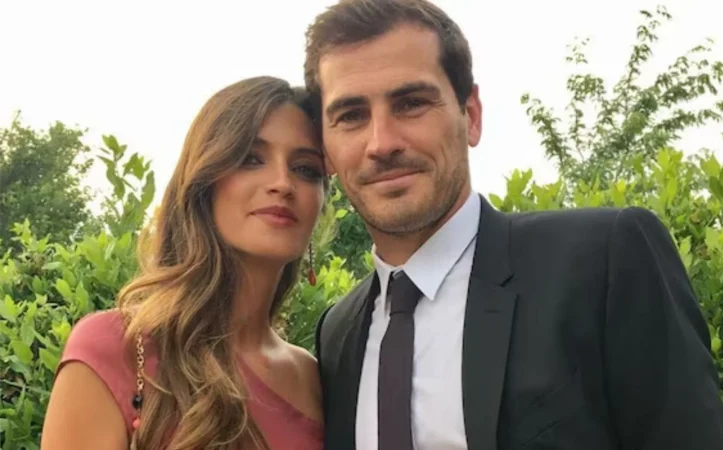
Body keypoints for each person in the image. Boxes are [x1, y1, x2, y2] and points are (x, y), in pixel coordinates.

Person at [304, 1, 723, 449]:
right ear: (326, 149)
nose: (382, 143)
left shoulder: (604, 262)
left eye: (411, 104)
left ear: (472, 116)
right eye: (351, 115)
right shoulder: (338, 333)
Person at [41, 76, 326, 450]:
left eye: (306, 169)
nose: (282, 183)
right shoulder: (118, 349)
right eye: (250, 159)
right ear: (203, 182)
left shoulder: (315, 378)